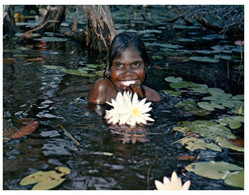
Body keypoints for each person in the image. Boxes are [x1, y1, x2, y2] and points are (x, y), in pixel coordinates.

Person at [88, 32, 161, 105]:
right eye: (119, 65)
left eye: (135, 64)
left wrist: (138, 100)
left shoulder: (153, 97)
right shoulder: (103, 88)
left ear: (146, 66)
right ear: (110, 68)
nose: (128, 73)